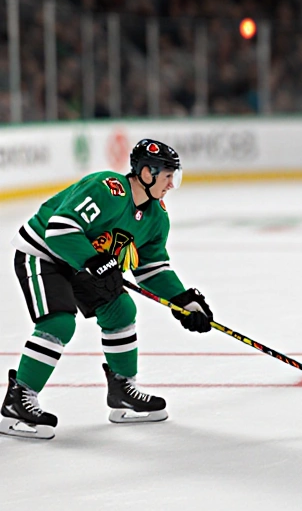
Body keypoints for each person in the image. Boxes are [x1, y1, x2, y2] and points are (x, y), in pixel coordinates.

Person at [1, 139, 214, 440]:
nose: (171, 185)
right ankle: (18, 399)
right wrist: (95, 261)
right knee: (58, 322)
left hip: (84, 263)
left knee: (121, 310)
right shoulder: (108, 188)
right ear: (146, 172)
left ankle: (122, 390)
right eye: (167, 176)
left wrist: (182, 301)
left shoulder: (156, 217)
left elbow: (152, 268)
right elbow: (60, 229)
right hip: (44, 253)